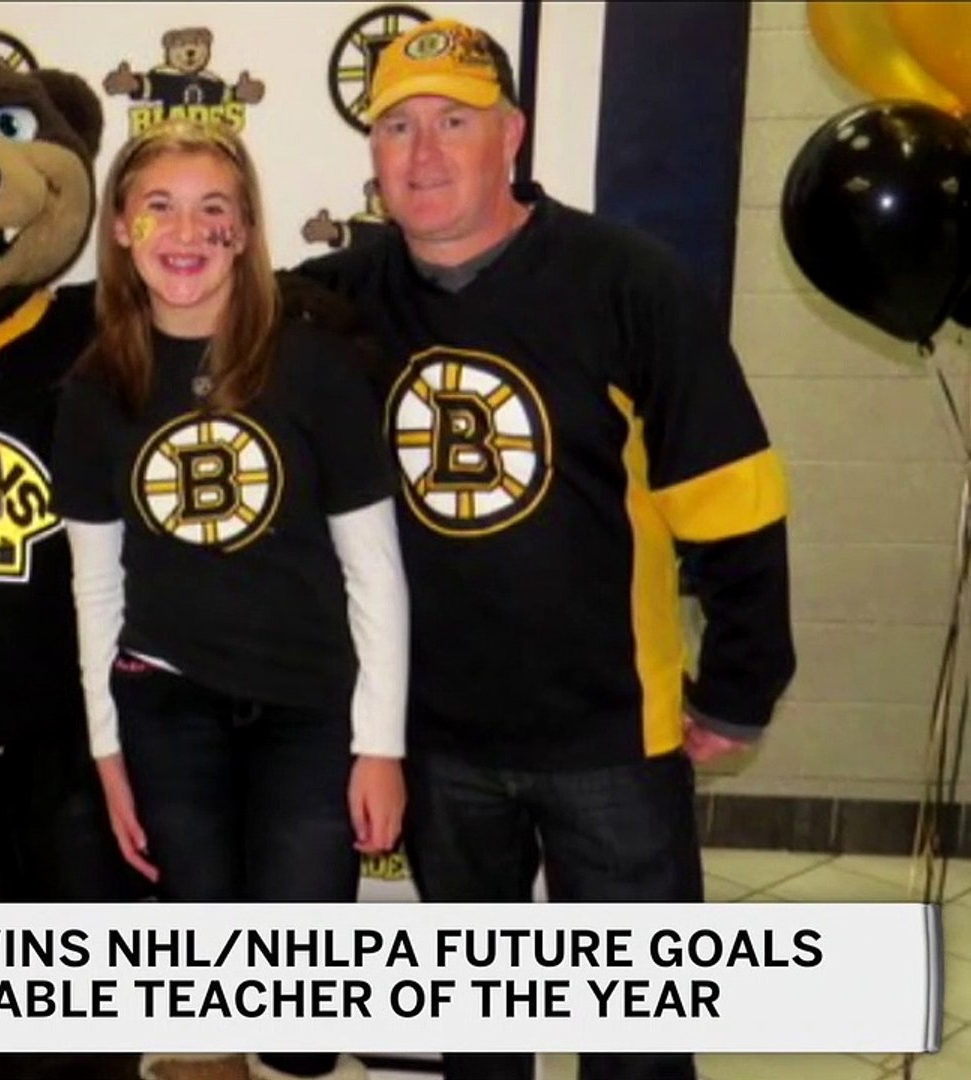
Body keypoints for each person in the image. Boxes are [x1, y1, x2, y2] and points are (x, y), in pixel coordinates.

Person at [289, 19, 796, 1080]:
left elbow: (730, 494)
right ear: (371, 149)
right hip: (437, 739)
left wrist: (741, 684)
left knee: (636, 1046)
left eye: (455, 122)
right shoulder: (337, 300)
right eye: (398, 126)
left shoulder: (628, 281)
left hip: (609, 734)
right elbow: (183, 314)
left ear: (511, 135)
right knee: (481, 1042)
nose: (424, 153)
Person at [53, 117, 412, 1080]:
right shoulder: (95, 391)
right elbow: (95, 585)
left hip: (310, 709)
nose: (186, 232)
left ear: (246, 230)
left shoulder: (315, 367)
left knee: (299, 1015)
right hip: (168, 707)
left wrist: (380, 745)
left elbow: (375, 571)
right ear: (121, 227)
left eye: (213, 209)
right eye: (158, 206)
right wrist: (108, 752)